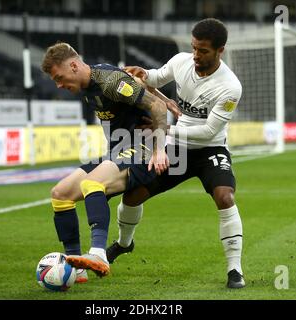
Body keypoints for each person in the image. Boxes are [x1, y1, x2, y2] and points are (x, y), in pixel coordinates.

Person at [106, 18, 246, 289]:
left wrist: (166, 131)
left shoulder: (230, 87)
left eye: (203, 50)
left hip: (210, 149)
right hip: (177, 150)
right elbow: (156, 77)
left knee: (225, 196)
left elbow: (207, 132)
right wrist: (142, 74)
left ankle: (235, 269)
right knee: (132, 195)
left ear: (220, 51)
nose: (196, 55)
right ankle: (124, 244)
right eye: (194, 48)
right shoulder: (182, 61)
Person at [40, 42, 169, 281]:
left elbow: (158, 107)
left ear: (74, 65)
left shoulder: (111, 82)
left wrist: (159, 150)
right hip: (118, 152)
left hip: (141, 151)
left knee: (91, 183)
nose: (59, 85)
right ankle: (75, 268)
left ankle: (98, 254)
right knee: (60, 194)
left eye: (59, 77)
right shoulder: (89, 87)